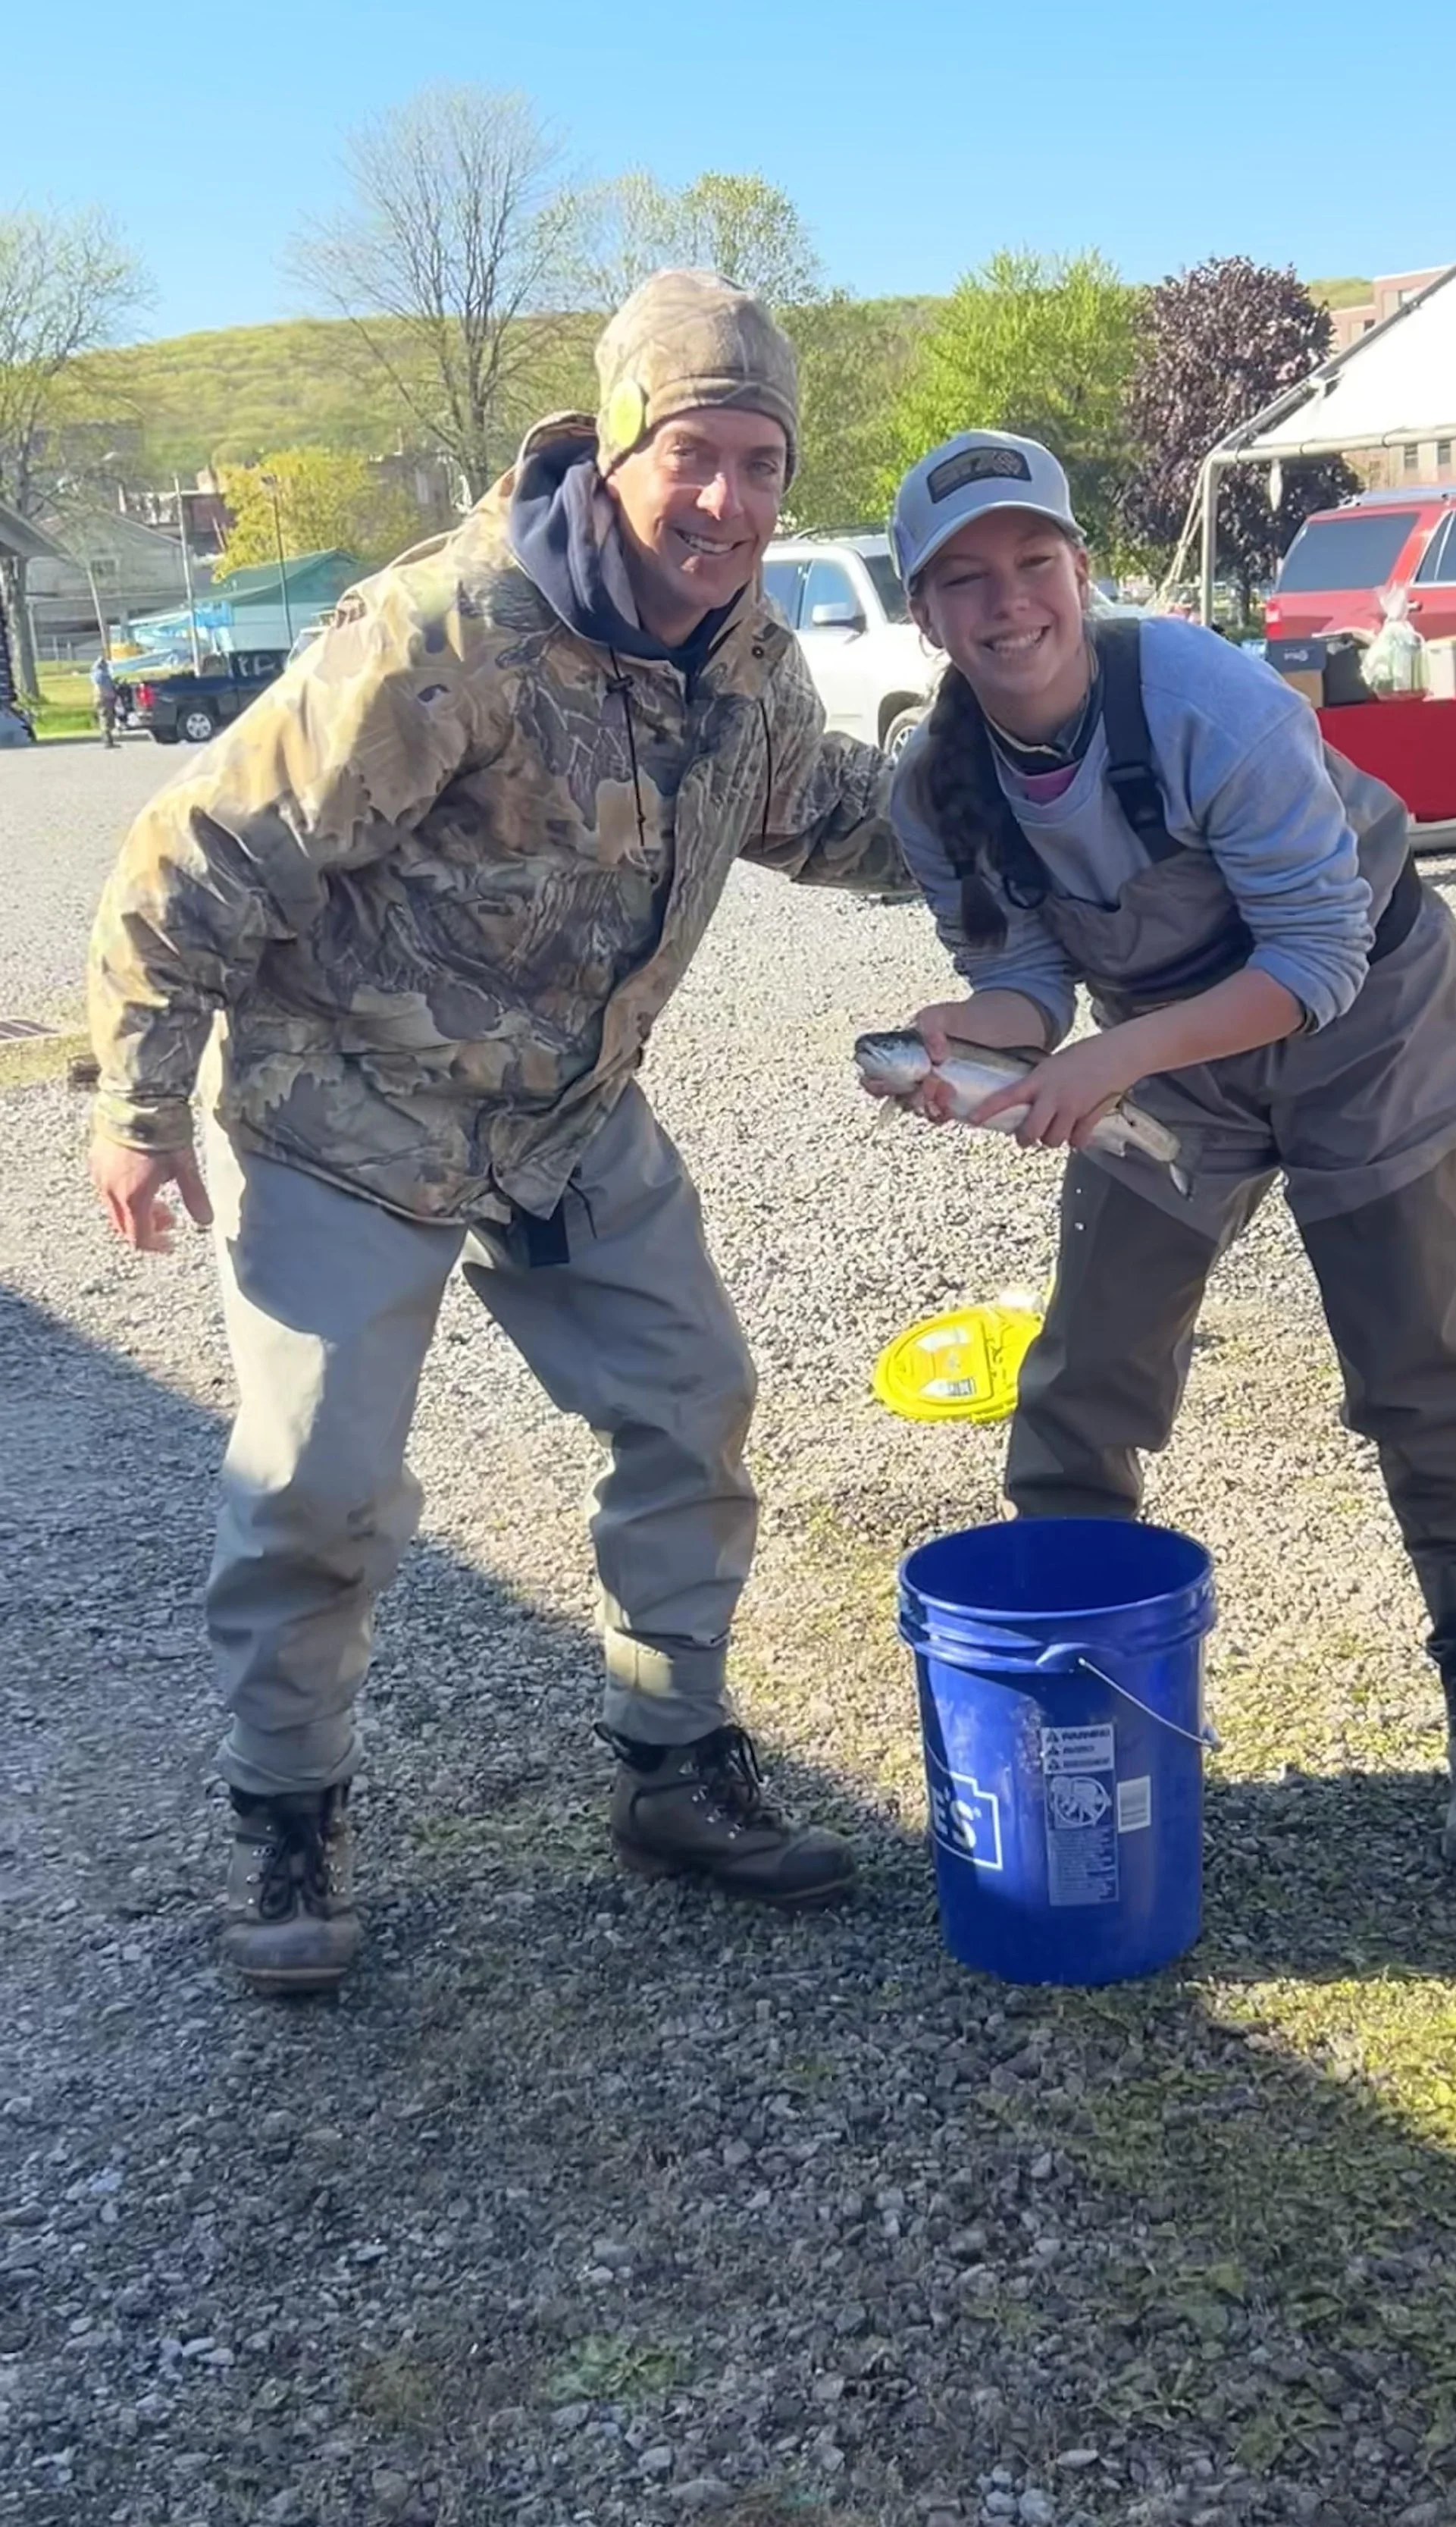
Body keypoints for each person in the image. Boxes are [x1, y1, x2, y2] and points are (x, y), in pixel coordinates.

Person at [86, 269, 908, 1995]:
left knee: (693, 1401)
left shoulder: (745, 662)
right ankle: (287, 1822)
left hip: (568, 1118)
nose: (732, 502)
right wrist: (143, 1106)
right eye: (698, 455)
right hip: (350, 1111)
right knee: (322, 1480)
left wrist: (1059, 824)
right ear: (617, 446)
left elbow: (828, 815)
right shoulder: (448, 633)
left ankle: (674, 1768)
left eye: (763, 464)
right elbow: (200, 856)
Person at [876, 431, 1456, 1873]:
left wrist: (1108, 1055)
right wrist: (975, 1032)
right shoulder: (930, 789)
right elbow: (1030, 971)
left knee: (1421, 1376)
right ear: (922, 613)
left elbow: (1317, 952)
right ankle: (1073, 1707)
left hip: (1375, 1026)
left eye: (1034, 562)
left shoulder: (1201, 698)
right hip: (1171, 1055)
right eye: (965, 580)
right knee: (1081, 1377)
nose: (1009, 604)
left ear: (1082, 569)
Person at [90, 653, 118, 748]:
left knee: (106, 719)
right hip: (104, 699)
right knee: (105, 719)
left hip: (101, 699)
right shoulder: (102, 675)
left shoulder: (95, 675)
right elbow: (104, 687)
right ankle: (108, 741)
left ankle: (107, 740)